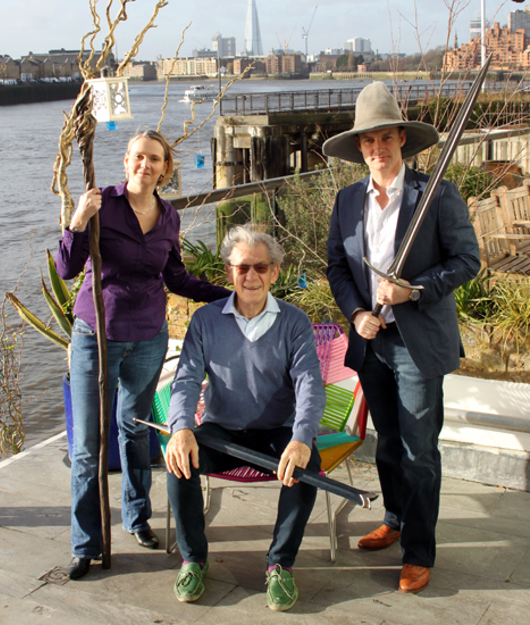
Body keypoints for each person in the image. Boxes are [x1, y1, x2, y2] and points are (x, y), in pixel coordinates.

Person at [323, 82, 480, 593]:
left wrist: (413, 291)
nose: (377, 149)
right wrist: (357, 312)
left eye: (386, 138)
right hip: (371, 343)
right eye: (368, 141)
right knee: (387, 444)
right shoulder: (347, 201)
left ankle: (418, 550)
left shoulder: (436, 194)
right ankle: (394, 519)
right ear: (359, 148)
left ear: (402, 140)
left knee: (419, 451)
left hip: (416, 346)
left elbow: (466, 261)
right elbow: (337, 268)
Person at [55, 128, 230, 580]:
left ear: (165, 168)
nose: (145, 165)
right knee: (88, 447)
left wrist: (228, 296)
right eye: (137, 157)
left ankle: (137, 519)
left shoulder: (168, 217)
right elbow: (67, 269)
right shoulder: (102, 204)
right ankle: (85, 543)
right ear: (127, 161)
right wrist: (77, 221)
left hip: (148, 338)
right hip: (98, 335)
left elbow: (177, 278)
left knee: (134, 433)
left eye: (154, 158)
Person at [166, 224, 326, 611]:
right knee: (178, 463)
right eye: (242, 268)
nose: (251, 276)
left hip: (277, 432)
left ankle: (280, 565)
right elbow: (186, 378)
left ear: (274, 272)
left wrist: (302, 438)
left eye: (260, 267)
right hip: (221, 431)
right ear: (229, 272)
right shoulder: (206, 321)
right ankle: (193, 559)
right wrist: (182, 428)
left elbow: (309, 385)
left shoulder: (294, 322)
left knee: (307, 469)